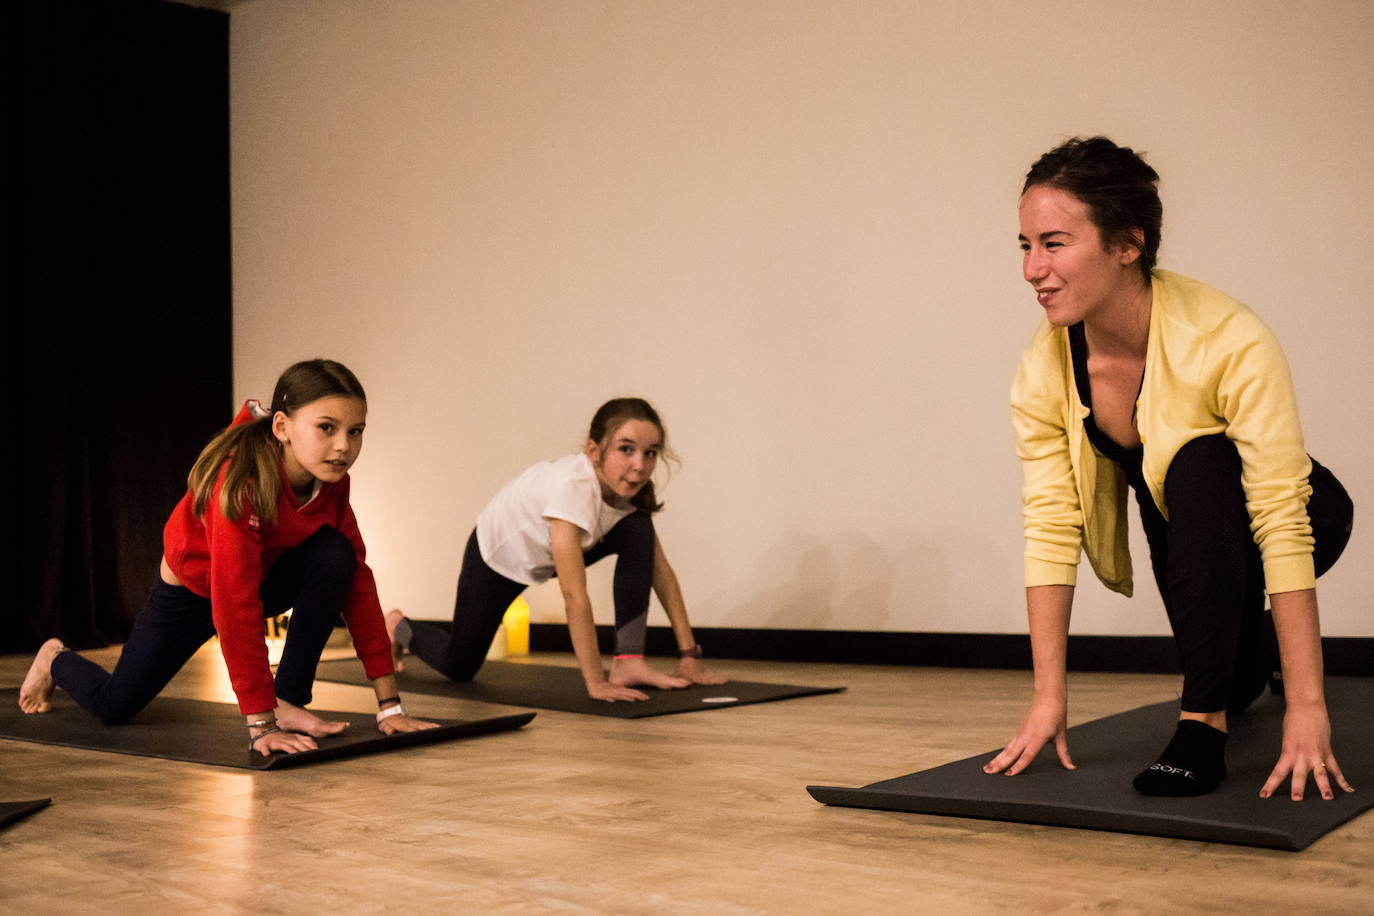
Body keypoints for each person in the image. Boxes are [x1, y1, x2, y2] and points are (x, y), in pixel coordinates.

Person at [985, 137, 1354, 799]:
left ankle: (1200, 729)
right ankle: (1240, 666)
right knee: (1236, 680)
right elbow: (1050, 525)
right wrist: (1048, 697)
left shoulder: (1227, 338)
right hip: (1186, 526)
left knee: (1203, 461)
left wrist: (1307, 708)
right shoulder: (1047, 366)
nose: (1032, 268)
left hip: (1299, 508)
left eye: (1054, 243)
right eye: (1024, 245)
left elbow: (1280, 514)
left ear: (1127, 245)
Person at [19, 359, 437, 755]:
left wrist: (391, 707)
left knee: (336, 555)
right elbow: (234, 602)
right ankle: (55, 658)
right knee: (114, 707)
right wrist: (261, 727)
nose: (343, 446)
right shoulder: (240, 481)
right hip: (193, 592)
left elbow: (358, 584)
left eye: (355, 431)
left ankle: (289, 699)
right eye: (326, 427)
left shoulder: (330, 481)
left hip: (262, 579)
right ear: (282, 426)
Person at [388, 397, 725, 702]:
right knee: (459, 667)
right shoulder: (571, 489)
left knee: (638, 531)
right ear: (594, 451)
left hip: (549, 552)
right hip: (497, 558)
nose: (639, 465)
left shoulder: (631, 495)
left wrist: (689, 657)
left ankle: (629, 661)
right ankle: (397, 626)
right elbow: (574, 596)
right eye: (626, 449)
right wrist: (595, 682)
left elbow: (661, 573)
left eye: (650, 452)